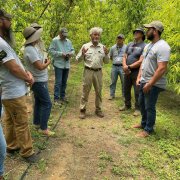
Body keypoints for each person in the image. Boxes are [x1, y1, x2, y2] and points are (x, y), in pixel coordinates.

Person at [0, 8, 40, 163]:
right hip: (13, 91)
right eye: (8, 20)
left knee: (9, 119)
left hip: (8, 90)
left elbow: (5, 64)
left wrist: (26, 73)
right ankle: (27, 152)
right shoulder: (1, 44)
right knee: (22, 121)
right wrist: (28, 78)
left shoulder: (2, 43)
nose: (10, 23)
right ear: (0, 22)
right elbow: (14, 67)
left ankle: (12, 146)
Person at [133, 21, 171, 137]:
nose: (146, 31)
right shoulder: (148, 46)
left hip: (154, 83)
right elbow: (143, 62)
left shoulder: (163, 47)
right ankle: (144, 123)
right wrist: (139, 77)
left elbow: (162, 68)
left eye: (149, 29)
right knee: (142, 103)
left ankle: (149, 130)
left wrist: (150, 83)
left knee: (149, 106)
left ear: (155, 31)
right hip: (144, 80)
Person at [23, 27, 54, 136]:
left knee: (39, 102)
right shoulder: (30, 50)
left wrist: (44, 60)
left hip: (38, 80)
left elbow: (38, 63)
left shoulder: (33, 48)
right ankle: (43, 128)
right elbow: (40, 67)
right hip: (38, 81)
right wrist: (48, 63)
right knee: (47, 103)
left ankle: (37, 123)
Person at [76, 27, 110, 119]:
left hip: (98, 72)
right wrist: (82, 54)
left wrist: (106, 54)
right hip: (88, 71)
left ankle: (98, 110)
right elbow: (77, 60)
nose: (97, 36)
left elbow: (107, 62)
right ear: (91, 35)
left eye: (98, 35)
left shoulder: (103, 47)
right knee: (85, 91)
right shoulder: (85, 46)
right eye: (95, 34)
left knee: (99, 91)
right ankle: (82, 110)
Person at [120, 28, 146, 116]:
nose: (135, 33)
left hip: (137, 71)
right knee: (126, 88)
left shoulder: (144, 45)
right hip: (127, 71)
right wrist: (124, 66)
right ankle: (127, 105)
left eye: (138, 32)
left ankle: (137, 108)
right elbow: (124, 57)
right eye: (135, 32)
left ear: (142, 35)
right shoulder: (129, 44)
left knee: (137, 91)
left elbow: (141, 61)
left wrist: (129, 67)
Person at [48, 27, 75, 106]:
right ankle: (56, 99)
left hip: (66, 64)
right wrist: (61, 54)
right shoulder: (55, 41)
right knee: (58, 82)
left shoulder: (68, 41)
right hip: (58, 64)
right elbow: (50, 51)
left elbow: (73, 50)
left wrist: (71, 53)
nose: (64, 37)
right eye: (63, 35)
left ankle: (62, 96)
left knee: (64, 82)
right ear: (59, 33)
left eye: (66, 36)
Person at [109, 34, 127, 101]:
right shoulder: (113, 48)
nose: (119, 39)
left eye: (121, 38)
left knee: (124, 82)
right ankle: (112, 95)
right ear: (116, 39)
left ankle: (124, 96)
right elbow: (110, 56)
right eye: (118, 38)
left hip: (122, 67)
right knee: (113, 81)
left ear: (123, 39)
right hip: (114, 66)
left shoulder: (126, 47)